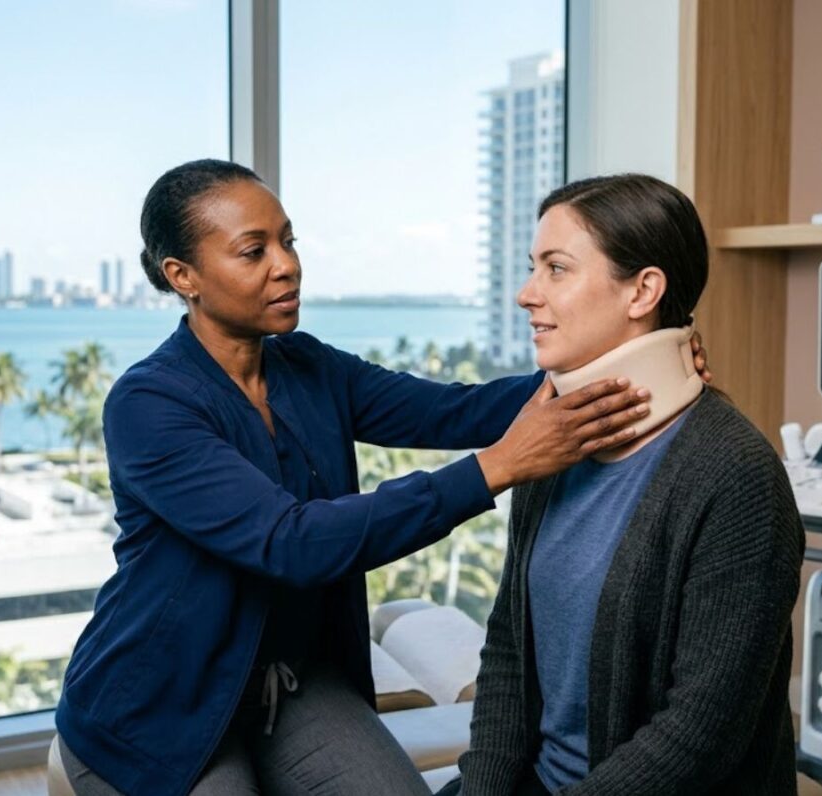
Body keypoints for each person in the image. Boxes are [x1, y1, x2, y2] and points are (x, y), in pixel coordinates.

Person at [51, 160, 711, 796]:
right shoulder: (149, 404)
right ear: (183, 275)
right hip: (160, 707)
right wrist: (502, 467)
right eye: (254, 252)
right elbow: (293, 542)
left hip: (290, 688)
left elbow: (456, 409)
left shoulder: (307, 366)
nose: (287, 264)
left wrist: (631, 364)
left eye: (288, 241)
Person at [449, 174, 805, 795]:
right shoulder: (555, 442)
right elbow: (509, 650)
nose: (526, 294)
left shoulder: (737, 476)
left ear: (643, 291)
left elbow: (699, 733)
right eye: (533, 267)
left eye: (556, 269)